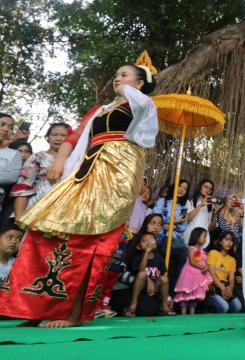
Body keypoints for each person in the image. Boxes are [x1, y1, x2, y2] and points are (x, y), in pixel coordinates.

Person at [0, 58, 158, 327]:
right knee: (48, 232)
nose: (116, 78)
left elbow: (142, 106)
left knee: (90, 241)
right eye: (116, 74)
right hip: (86, 170)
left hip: (115, 173)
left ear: (140, 84)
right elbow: (76, 137)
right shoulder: (102, 110)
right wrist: (61, 161)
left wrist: (138, 84)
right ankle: (39, 306)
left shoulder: (142, 107)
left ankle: (73, 314)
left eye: (124, 75)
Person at [10, 123, 70, 220]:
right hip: (36, 210)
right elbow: (23, 187)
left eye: (63, 135)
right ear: (48, 138)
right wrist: (19, 218)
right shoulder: (38, 157)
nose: (58, 138)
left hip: (66, 212)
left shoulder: (75, 159)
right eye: (54, 135)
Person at [126, 232, 175, 317]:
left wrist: (168, 296)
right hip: (141, 287)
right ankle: (133, 306)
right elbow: (141, 270)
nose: (148, 243)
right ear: (138, 246)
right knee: (142, 274)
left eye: (151, 241)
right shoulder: (137, 258)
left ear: (155, 245)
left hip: (154, 288)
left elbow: (162, 277)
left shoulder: (159, 258)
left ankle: (164, 306)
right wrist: (146, 253)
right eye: (145, 241)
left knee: (164, 278)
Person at [174, 227, 213, 315]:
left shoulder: (202, 251)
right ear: (197, 236)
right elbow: (192, 261)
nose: (205, 239)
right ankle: (183, 314)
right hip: (189, 275)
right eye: (204, 236)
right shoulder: (191, 248)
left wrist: (206, 267)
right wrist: (202, 268)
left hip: (199, 275)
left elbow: (205, 261)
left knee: (195, 296)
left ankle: (192, 314)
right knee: (186, 294)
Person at [205, 231, 242, 314]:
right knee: (224, 307)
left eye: (231, 240)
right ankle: (207, 309)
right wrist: (222, 288)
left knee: (237, 307)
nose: (229, 242)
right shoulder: (213, 253)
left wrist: (230, 288)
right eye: (227, 239)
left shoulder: (232, 260)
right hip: (213, 286)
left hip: (224, 286)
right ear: (221, 242)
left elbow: (231, 279)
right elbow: (212, 274)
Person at [0, 112, 22, 222]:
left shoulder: (14, 154)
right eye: (2, 124)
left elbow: (11, 176)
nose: (5, 129)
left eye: (10, 127)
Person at [183, 179, 215, 249]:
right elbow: (187, 219)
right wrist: (200, 205)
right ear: (200, 186)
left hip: (204, 242)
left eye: (210, 189)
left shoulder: (211, 206)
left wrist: (216, 214)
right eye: (205, 187)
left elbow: (211, 228)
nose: (208, 190)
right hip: (188, 237)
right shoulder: (190, 200)